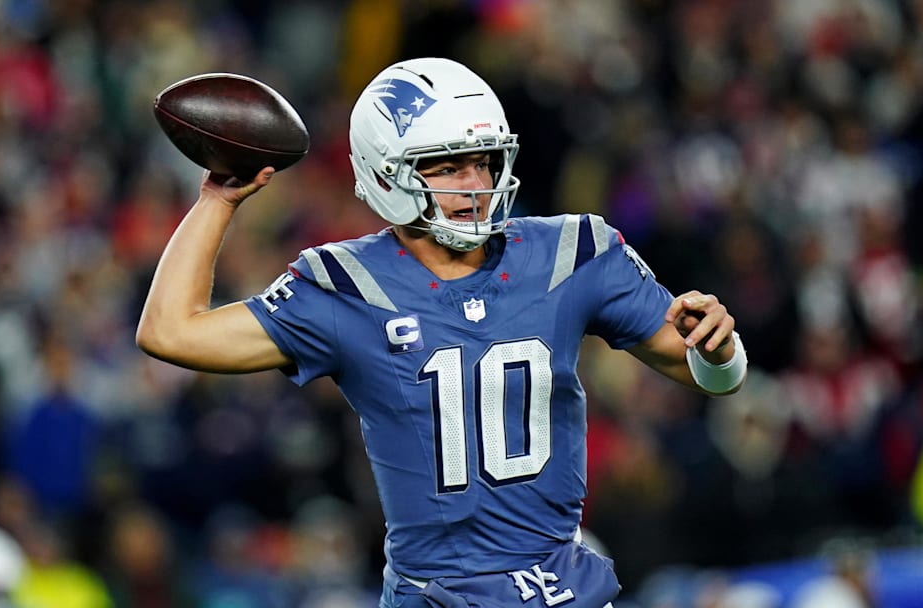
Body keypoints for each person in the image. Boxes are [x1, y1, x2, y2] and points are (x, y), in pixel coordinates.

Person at [136, 57, 747, 608]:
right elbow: (170, 332)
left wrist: (720, 350)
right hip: (438, 596)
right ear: (385, 175)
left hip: (560, 587)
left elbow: (706, 372)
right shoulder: (346, 287)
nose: (473, 184)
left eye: (482, 161)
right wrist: (218, 199)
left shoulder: (572, 253)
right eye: (447, 166)